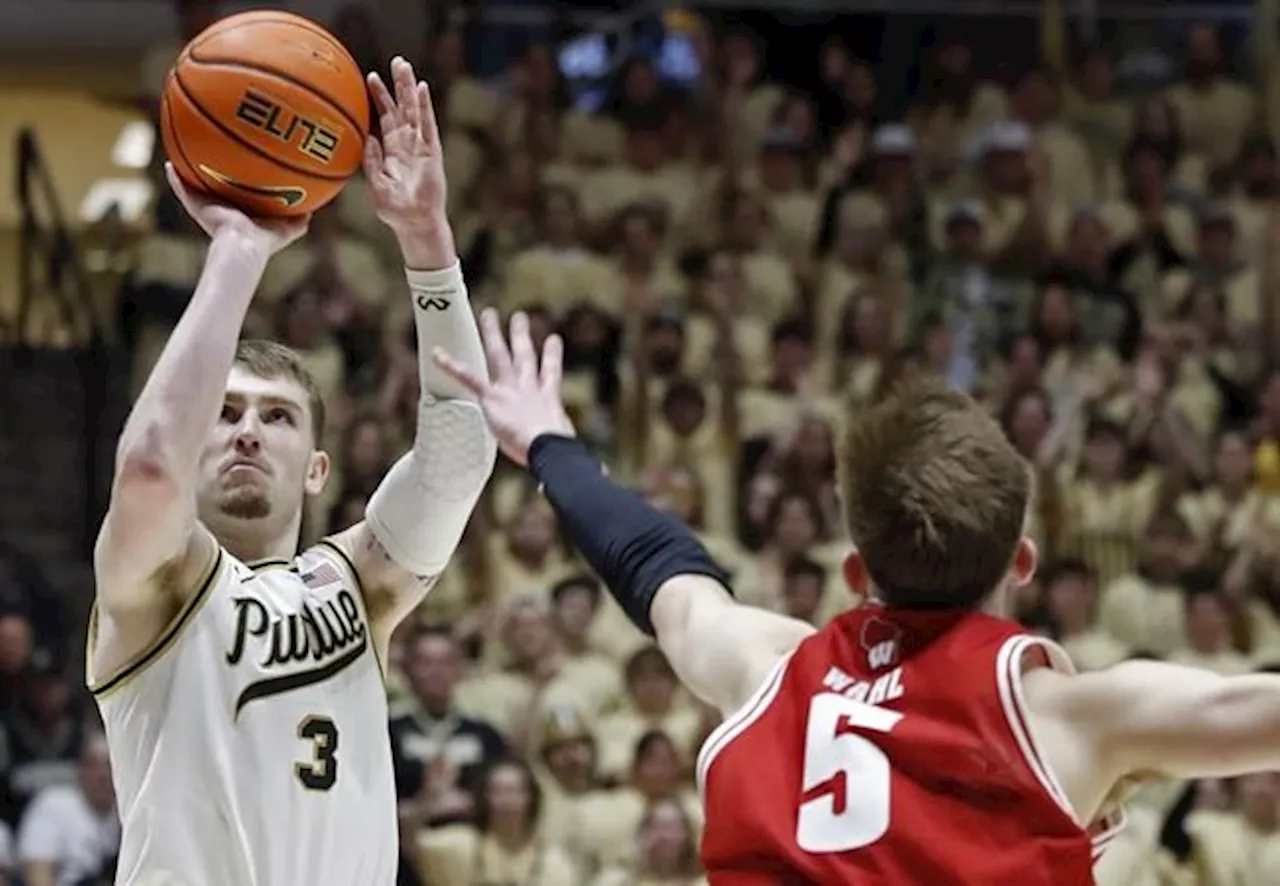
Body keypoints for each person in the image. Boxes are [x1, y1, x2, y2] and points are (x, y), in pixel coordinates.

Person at [435, 311, 1280, 884]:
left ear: (854, 571)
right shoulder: (1078, 717)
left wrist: (551, 444)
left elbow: (657, 563)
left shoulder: (769, 671)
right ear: (1021, 560)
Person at [89, 58, 495, 886]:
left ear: (316, 470)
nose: (245, 433)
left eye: (275, 417)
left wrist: (426, 239)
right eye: (226, 414)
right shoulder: (155, 586)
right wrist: (240, 249)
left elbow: (458, 460)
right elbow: (148, 473)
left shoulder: (356, 586)